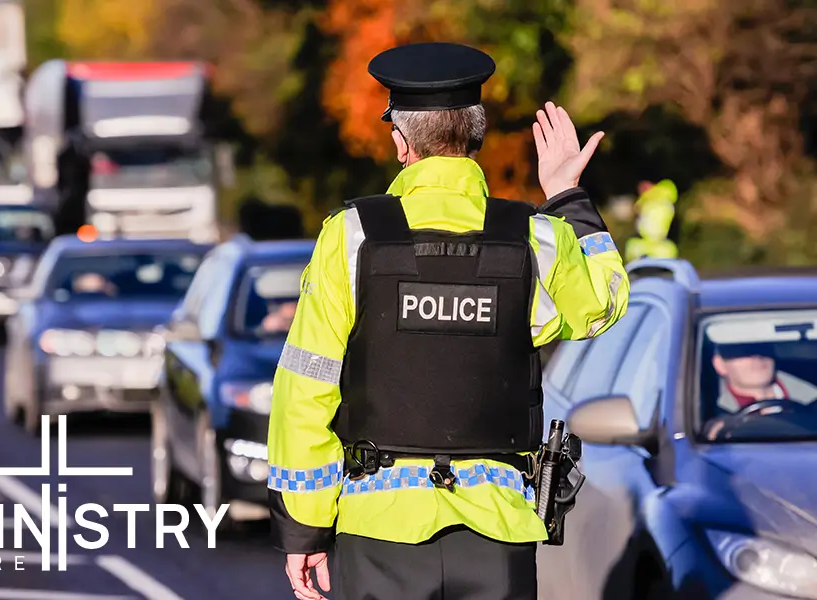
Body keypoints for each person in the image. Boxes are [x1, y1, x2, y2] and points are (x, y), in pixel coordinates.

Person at [266, 42, 631, 600]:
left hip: (378, 532)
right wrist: (567, 196)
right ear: (477, 136)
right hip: (498, 532)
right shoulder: (536, 239)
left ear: (399, 141)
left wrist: (304, 527)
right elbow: (604, 302)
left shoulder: (350, 237)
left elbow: (306, 388)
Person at [712, 343, 817, 413]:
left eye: (761, 347)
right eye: (742, 350)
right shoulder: (712, 417)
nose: (756, 356)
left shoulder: (812, 403)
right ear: (720, 365)